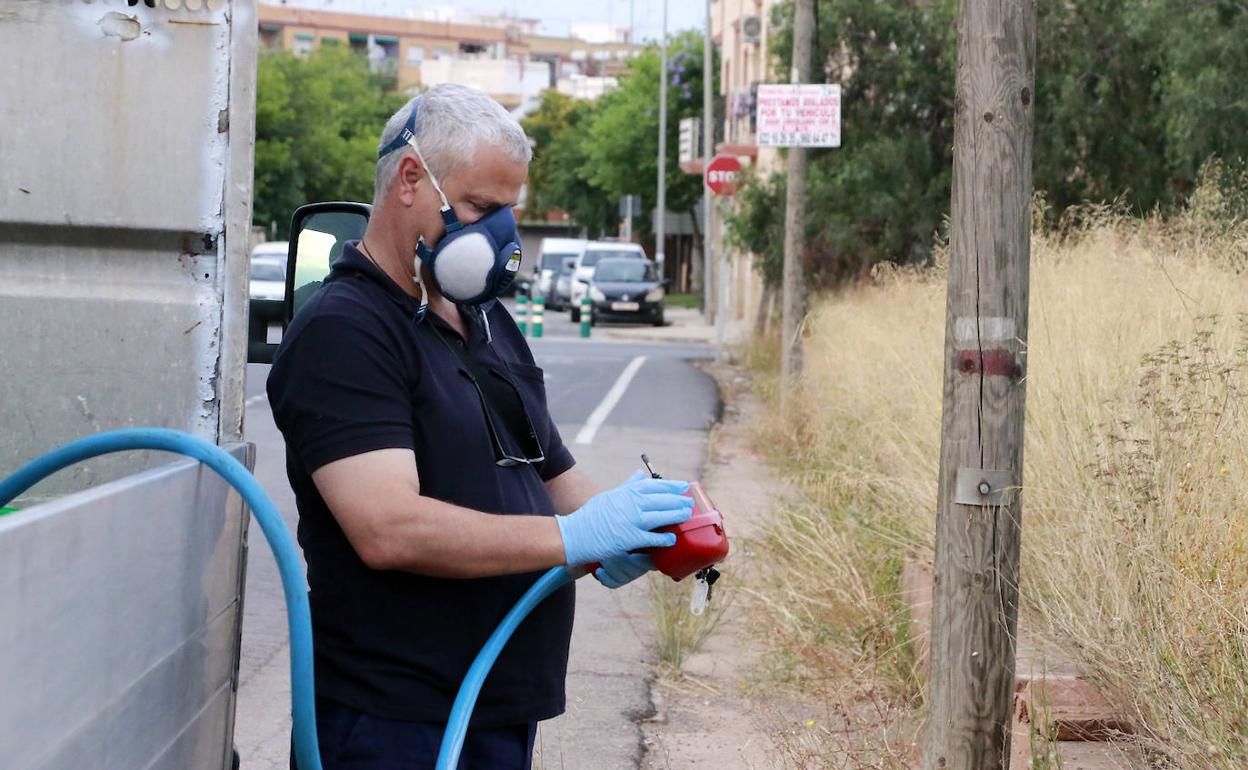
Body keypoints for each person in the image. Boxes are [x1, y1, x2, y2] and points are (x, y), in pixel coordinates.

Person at [267, 83, 693, 770]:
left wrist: (638, 529)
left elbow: (549, 473)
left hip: (496, 710)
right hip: (393, 721)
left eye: (507, 212)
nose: (499, 237)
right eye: (480, 209)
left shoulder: (485, 321)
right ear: (412, 180)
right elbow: (387, 528)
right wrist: (570, 538)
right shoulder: (346, 330)